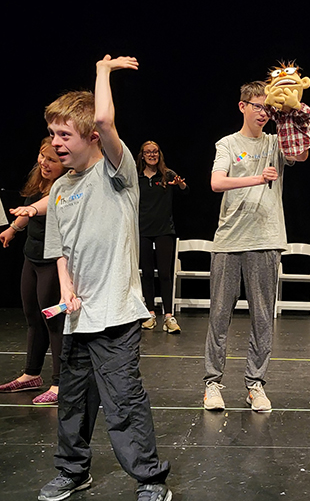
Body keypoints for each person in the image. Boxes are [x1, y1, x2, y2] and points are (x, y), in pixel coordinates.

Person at [39, 55, 172, 501]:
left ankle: (149, 477)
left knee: (123, 402)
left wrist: (101, 71)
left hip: (115, 315)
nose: (55, 142)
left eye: (64, 134)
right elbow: (59, 251)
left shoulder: (118, 174)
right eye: (52, 134)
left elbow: (102, 117)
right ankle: (74, 470)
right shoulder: (59, 189)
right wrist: (67, 291)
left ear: (90, 137)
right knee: (73, 403)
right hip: (78, 317)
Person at [203, 80, 310, 413]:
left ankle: (255, 385)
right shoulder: (227, 143)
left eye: (268, 107)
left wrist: (294, 113)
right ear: (243, 106)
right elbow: (216, 182)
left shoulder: (275, 142)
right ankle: (212, 383)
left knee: (263, 317)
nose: (263, 113)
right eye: (257, 106)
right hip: (229, 239)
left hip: (266, 239)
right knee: (219, 315)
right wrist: (256, 178)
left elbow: (302, 153)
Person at [0, 138, 66, 404]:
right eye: (42, 156)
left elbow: (46, 204)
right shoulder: (38, 180)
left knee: (54, 322)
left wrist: (29, 211)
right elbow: (29, 208)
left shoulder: (65, 185)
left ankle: (60, 383)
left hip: (53, 259)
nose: (43, 163)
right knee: (32, 316)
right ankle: (32, 374)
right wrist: (13, 229)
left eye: (51, 160)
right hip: (32, 255)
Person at [137, 141, 187, 333]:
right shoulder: (137, 176)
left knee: (165, 274)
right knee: (147, 274)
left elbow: (186, 191)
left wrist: (181, 185)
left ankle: (168, 316)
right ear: (142, 155)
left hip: (164, 230)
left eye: (155, 152)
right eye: (148, 152)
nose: (152, 155)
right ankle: (150, 313)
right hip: (143, 230)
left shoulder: (167, 174)